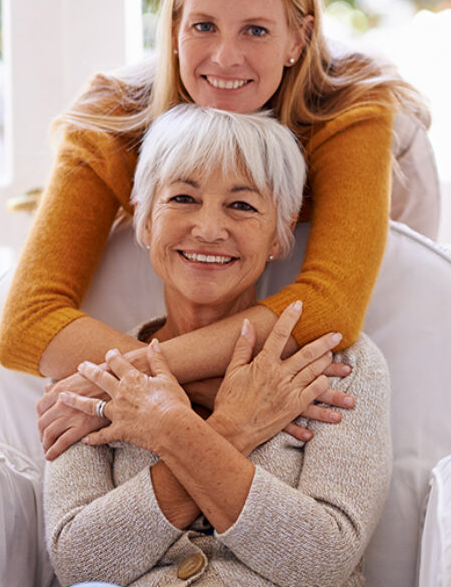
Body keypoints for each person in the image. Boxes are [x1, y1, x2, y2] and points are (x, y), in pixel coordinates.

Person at [0, 0, 429, 459]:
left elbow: (331, 306)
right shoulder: (110, 114)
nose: (225, 57)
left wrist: (133, 383)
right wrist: (189, 392)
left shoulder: (351, 104)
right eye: (203, 26)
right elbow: (27, 323)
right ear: (174, 27)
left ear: (299, 38)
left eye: (255, 31)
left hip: (400, 204)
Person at [44, 104, 392, 587]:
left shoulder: (333, 364)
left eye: (243, 205)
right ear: (145, 221)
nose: (208, 228)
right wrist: (233, 428)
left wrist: (170, 430)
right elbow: (82, 564)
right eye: (183, 198)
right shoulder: (91, 376)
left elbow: (323, 559)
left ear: (280, 232)